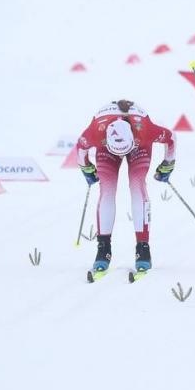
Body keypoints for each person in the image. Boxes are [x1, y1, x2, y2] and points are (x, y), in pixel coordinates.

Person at [76, 100, 176, 280]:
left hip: (139, 144)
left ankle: (143, 249)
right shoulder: (94, 133)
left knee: (137, 187)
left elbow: (171, 139)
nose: (121, 155)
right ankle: (103, 248)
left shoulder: (146, 130)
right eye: (119, 152)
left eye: (124, 150)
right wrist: (87, 169)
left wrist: (167, 164)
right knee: (107, 190)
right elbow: (80, 149)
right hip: (107, 147)